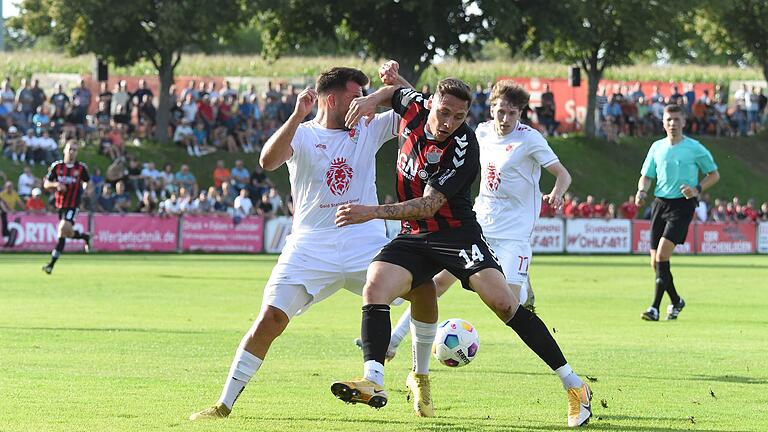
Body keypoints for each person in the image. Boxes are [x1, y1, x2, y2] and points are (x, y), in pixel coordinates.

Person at [331, 70, 591, 427]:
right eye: (444, 113)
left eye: (458, 117)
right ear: (431, 103)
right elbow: (396, 94)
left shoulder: (465, 146)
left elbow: (428, 206)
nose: (449, 123)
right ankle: (373, 379)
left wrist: (372, 212)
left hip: (457, 235)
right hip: (414, 236)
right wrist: (371, 99)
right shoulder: (415, 104)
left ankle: (575, 386)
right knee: (376, 284)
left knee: (504, 304)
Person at [189, 66, 409, 421]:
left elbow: (420, 113)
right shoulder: (303, 133)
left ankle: (412, 378)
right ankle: (223, 404)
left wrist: (395, 86)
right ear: (332, 99)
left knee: (423, 287)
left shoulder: (369, 126)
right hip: (309, 246)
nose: (363, 104)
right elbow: (267, 160)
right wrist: (295, 115)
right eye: (356, 97)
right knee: (270, 318)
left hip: (364, 241)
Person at [371, 80, 573, 363]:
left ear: (520, 114)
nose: (505, 118)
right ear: (491, 109)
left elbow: (563, 174)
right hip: (478, 224)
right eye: (500, 111)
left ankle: (524, 288)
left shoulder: (531, 139)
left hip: (514, 232)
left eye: (512, 113)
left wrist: (557, 193)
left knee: (510, 302)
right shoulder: (479, 133)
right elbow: (431, 104)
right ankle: (393, 340)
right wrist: (400, 86)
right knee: (436, 283)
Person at [635, 104, 719, 321]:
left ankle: (654, 308)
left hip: (683, 205)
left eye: (676, 119)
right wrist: (642, 191)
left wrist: (697, 189)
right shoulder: (656, 147)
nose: (672, 123)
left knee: (662, 255)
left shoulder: (695, 148)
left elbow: (714, 174)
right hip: (660, 204)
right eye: (668, 119)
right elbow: (646, 175)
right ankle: (676, 300)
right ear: (663, 123)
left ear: (684, 121)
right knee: (656, 262)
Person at [42, 140, 91, 274]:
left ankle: (51, 264)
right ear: (64, 150)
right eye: (70, 149)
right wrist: (55, 185)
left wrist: (86, 189)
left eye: (75, 150)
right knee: (65, 234)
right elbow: (46, 183)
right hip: (60, 205)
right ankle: (84, 237)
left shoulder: (81, 168)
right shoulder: (57, 167)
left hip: (73, 204)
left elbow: (87, 182)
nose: (72, 152)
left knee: (62, 228)